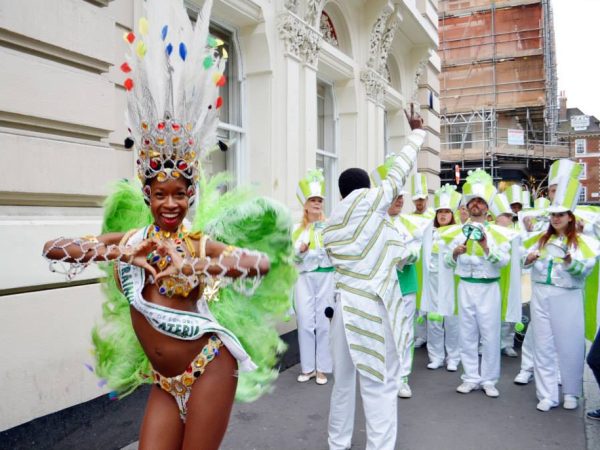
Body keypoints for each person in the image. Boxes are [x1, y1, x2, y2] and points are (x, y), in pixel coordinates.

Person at [42, 1, 294, 447]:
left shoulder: (199, 243)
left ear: (191, 194)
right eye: (161, 194)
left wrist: (199, 266)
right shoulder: (133, 240)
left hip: (209, 370)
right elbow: (55, 249)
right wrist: (123, 252)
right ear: (148, 195)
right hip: (162, 381)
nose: (171, 203)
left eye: (180, 193)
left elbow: (257, 264)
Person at [324, 110, 425, 450]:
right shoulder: (372, 203)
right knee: (379, 386)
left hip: (342, 310)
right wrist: (416, 134)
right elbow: (400, 169)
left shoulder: (329, 226)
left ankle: (337, 444)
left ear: (340, 195)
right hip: (373, 310)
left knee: (342, 385)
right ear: (367, 188)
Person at [523, 173, 598, 412]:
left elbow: (584, 271)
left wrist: (568, 261)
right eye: (553, 214)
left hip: (568, 295)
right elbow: (521, 263)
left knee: (570, 345)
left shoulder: (584, 243)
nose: (556, 218)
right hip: (540, 295)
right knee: (543, 344)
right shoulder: (539, 240)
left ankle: (571, 392)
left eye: (561, 214)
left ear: (570, 217)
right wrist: (529, 258)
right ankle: (547, 394)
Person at [442, 169, 511, 398]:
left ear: (487, 207)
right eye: (473, 202)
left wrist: (485, 247)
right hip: (465, 286)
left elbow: (503, 261)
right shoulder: (457, 232)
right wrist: (454, 253)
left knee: (491, 334)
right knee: (467, 333)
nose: (476, 206)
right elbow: (446, 261)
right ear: (467, 206)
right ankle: (470, 377)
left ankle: (489, 379)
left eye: (481, 202)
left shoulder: (499, 233)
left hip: (489, 287)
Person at [372, 163, 430, 398]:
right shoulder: (371, 225)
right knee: (382, 332)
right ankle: (383, 374)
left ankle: (402, 377)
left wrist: (405, 256)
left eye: (401, 196)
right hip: (379, 288)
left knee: (404, 332)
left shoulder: (412, 224)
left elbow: (416, 251)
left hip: (405, 285)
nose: (399, 200)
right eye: (394, 195)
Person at [293, 169, 333, 385]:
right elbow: (290, 258)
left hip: (327, 277)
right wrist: (300, 250)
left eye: (319, 200)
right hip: (304, 279)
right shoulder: (296, 230)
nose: (317, 203)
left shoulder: (330, 227)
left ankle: (323, 368)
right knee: (306, 321)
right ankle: (308, 367)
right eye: (313, 200)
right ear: (306, 204)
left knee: (324, 323)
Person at [419, 184, 462, 372]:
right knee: (434, 320)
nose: (443, 215)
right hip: (432, 282)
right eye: (440, 212)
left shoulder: (459, 233)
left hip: (451, 283)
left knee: (451, 321)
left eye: (447, 211)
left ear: (452, 214)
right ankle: (436, 356)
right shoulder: (429, 232)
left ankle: (453, 357)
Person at [490, 193, 523, 359]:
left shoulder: (516, 234)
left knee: (510, 310)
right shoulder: (489, 231)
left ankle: (507, 343)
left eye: (511, 216)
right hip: (494, 275)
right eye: (507, 216)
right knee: (491, 312)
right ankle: (487, 344)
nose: (510, 218)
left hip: (511, 275)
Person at [408, 173, 434, 348]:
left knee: (430, 296)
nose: (419, 203)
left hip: (430, 261)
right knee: (417, 298)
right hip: (415, 261)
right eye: (417, 200)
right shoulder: (409, 218)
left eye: (422, 199)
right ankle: (421, 334)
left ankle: (433, 334)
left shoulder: (433, 216)